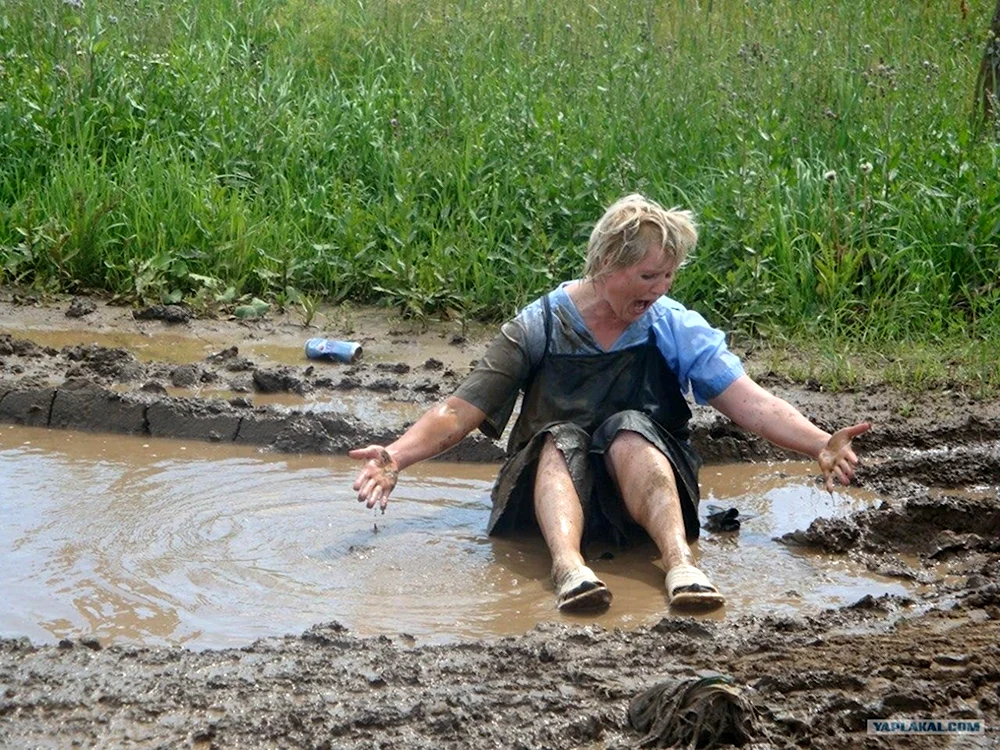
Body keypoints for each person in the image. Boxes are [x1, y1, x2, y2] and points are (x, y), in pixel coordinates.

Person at [350, 194, 869, 613]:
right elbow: (461, 410)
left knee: (629, 428)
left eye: (669, 275)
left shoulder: (671, 324)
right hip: (548, 498)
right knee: (559, 435)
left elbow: (748, 401)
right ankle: (568, 569)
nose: (660, 288)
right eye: (648, 276)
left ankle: (680, 564)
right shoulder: (539, 325)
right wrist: (396, 457)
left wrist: (819, 442)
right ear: (606, 265)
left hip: (646, 488)